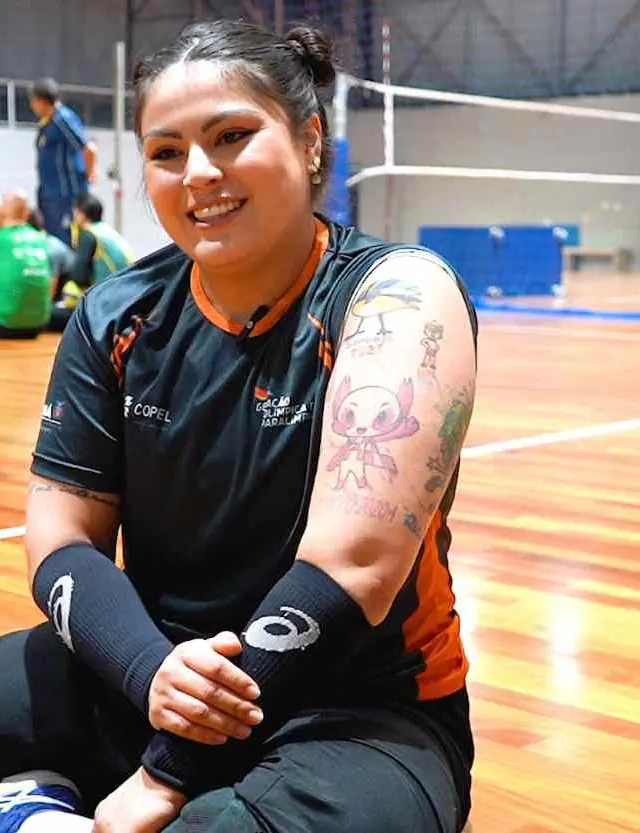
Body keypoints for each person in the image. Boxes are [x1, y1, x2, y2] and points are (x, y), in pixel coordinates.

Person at [0, 18, 477, 833]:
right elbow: (60, 536)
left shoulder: (398, 298)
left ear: (310, 138)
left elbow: (355, 566)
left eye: (231, 136)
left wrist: (167, 771)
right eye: (166, 151)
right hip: (153, 673)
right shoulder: (116, 315)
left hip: (351, 712)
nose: (199, 172)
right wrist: (149, 670)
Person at [45, 193, 134, 332]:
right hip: (126, 302)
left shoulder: (89, 234)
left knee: (44, 314)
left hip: (105, 307)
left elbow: (78, 277)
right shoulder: (109, 232)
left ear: (81, 214)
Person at [29, 77, 98, 247]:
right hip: (49, 194)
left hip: (65, 194)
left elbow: (89, 149)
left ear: (42, 100)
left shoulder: (62, 119)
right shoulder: (46, 123)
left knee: (66, 242)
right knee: (51, 240)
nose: (32, 105)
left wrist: (89, 174)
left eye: (34, 101)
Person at [0, 191, 52, 339]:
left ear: (2, 211)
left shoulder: (2, 238)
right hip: (38, 325)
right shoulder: (41, 239)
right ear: (26, 213)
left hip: (5, 324)